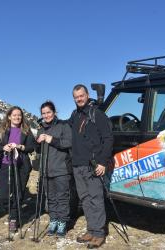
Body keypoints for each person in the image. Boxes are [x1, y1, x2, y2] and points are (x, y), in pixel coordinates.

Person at [69, 84, 113, 249]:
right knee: (85, 200)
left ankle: (99, 234)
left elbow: (108, 138)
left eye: (81, 95)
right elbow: (67, 128)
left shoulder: (97, 114)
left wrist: (102, 161)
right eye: (76, 97)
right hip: (78, 165)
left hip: (93, 165)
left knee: (96, 199)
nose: (79, 99)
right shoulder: (75, 114)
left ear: (87, 95)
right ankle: (91, 229)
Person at [0, 106, 35, 233]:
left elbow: (32, 147)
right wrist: (3, 147)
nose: (17, 117)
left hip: (22, 166)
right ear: (9, 116)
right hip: (5, 165)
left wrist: (20, 146)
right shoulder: (3, 129)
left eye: (19, 115)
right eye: (14, 115)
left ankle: (14, 219)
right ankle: (12, 209)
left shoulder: (26, 130)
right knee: (3, 195)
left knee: (18, 193)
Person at [36, 101, 72, 237]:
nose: (46, 115)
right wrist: (37, 143)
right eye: (43, 113)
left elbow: (69, 143)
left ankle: (62, 222)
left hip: (61, 169)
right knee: (50, 198)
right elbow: (38, 150)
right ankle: (54, 220)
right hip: (45, 169)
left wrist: (52, 140)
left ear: (54, 112)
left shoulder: (63, 125)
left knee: (62, 197)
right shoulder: (41, 129)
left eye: (48, 112)